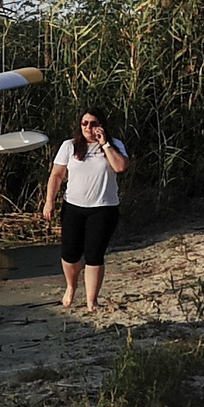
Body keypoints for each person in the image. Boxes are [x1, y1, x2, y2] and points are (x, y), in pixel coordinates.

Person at [41, 109, 128, 312]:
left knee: (94, 254)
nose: (88, 127)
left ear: (102, 125)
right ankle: (71, 287)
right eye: (84, 123)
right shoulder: (69, 146)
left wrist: (104, 143)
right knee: (70, 254)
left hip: (104, 208)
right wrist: (49, 201)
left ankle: (92, 300)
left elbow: (121, 167)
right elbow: (56, 175)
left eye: (93, 123)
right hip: (73, 207)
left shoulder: (114, 145)